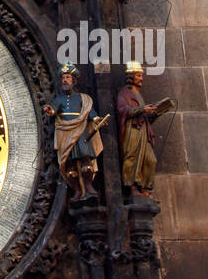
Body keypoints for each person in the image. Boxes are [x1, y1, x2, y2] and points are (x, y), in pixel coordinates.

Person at [44, 65, 107, 198]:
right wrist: (50, 110)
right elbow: (54, 110)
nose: (65, 80)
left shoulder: (82, 98)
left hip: (81, 130)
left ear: (73, 80)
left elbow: (88, 111)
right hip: (65, 133)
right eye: (63, 78)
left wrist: (95, 119)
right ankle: (77, 189)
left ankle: (89, 187)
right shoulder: (59, 100)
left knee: (86, 160)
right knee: (70, 165)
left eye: (67, 77)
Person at [117, 62, 173, 195]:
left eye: (141, 76)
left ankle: (144, 187)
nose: (141, 78)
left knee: (150, 159)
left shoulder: (138, 94)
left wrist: (156, 112)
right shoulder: (125, 92)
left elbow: (143, 113)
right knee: (132, 156)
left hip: (143, 129)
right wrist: (142, 109)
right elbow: (122, 109)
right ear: (131, 77)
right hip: (133, 130)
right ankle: (132, 187)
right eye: (138, 75)